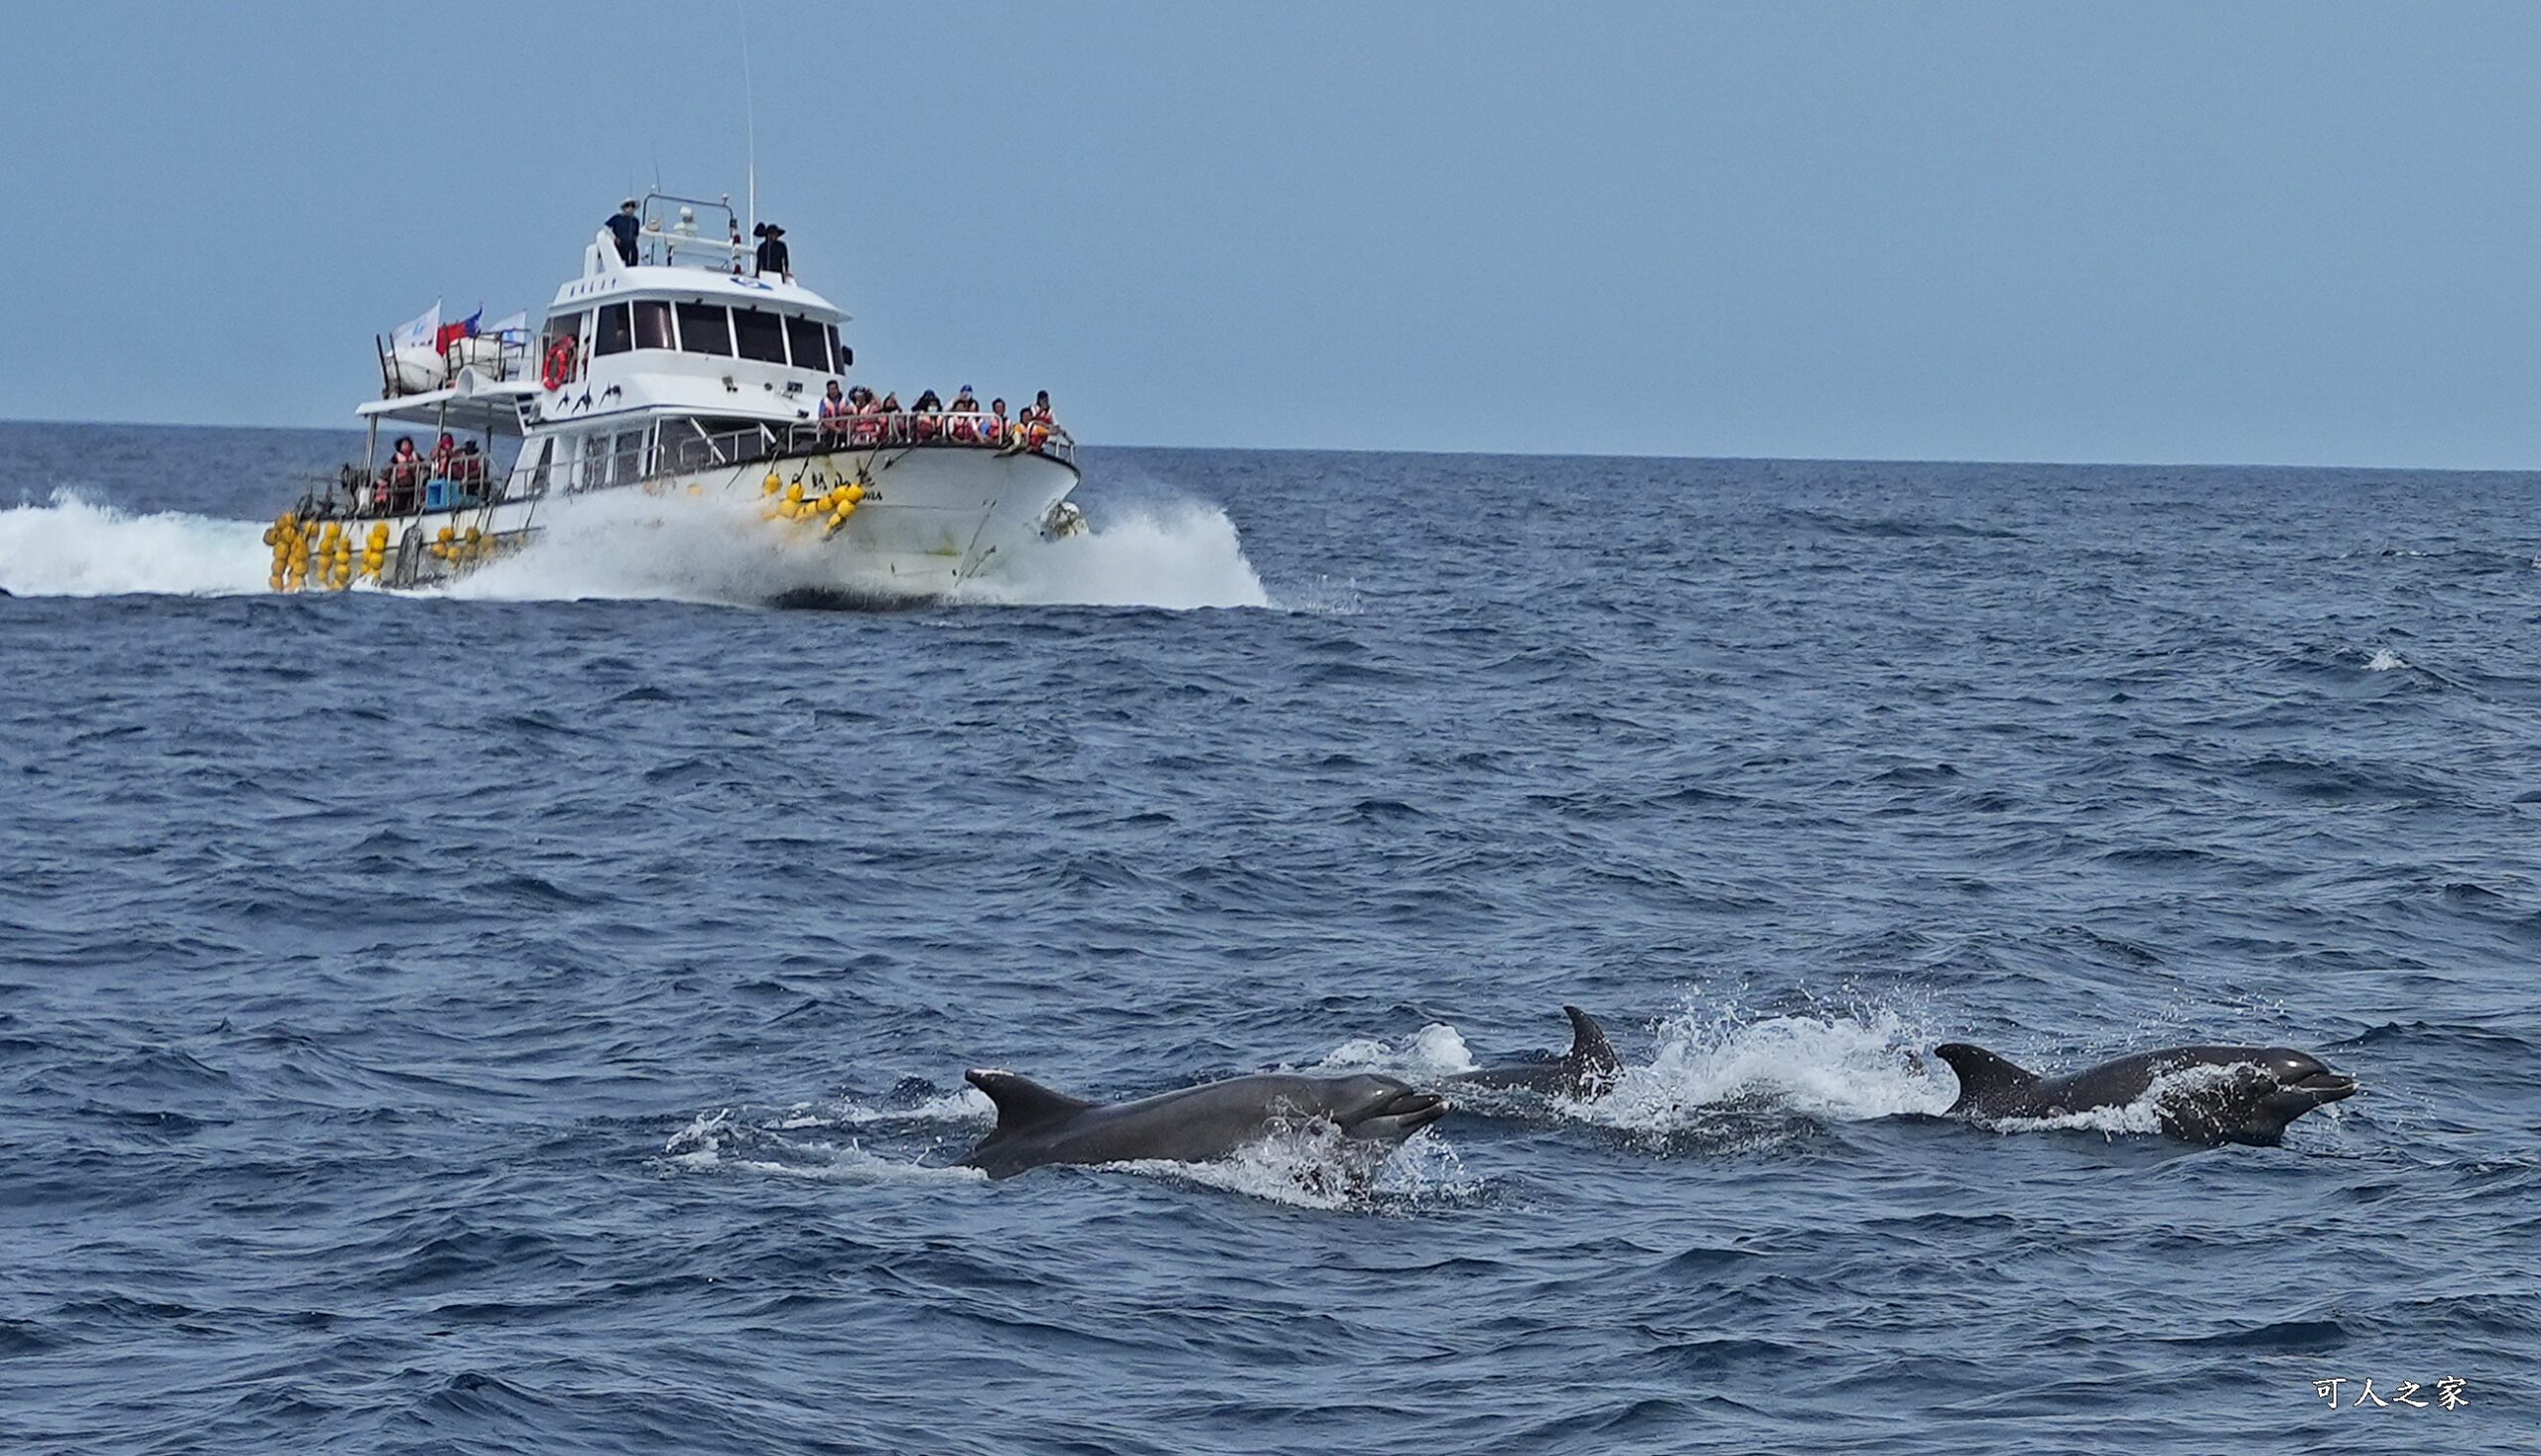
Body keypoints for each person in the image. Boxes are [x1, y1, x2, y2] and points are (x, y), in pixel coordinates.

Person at [382, 436, 424, 512]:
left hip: (414, 482)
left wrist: (417, 462)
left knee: (413, 497)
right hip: (400, 482)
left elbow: (424, 464)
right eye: (404, 444)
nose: (406, 446)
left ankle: (414, 508)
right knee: (400, 501)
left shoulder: (415, 455)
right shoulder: (396, 457)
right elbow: (389, 467)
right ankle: (396, 510)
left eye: (408, 444)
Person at [605, 199, 641, 267]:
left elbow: (636, 234)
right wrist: (615, 238)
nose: (630, 208)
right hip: (620, 245)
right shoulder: (617, 218)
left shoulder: (635, 221)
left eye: (632, 205)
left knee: (632, 262)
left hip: (631, 246)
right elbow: (606, 228)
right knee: (620, 263)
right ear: (624, 208)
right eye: (628, 205)